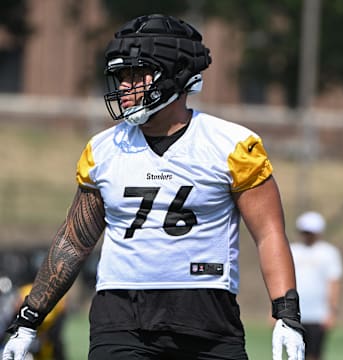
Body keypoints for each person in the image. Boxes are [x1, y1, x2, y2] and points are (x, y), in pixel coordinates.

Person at [3, 14, 304, 360]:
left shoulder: (232, 145)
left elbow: (269, 234)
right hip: (121, 317)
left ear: (174, 74)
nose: (125, 87)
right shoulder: (104, 149)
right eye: (121, 76)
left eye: (136, 74)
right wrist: (29, 319)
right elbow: (74, 241)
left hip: (206, 315)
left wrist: (286, 313)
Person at [291, 211, 343, 360]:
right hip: (294, 314)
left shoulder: (329, 253)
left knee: (313, 355)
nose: (307, 235)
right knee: (293, 354)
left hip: (317, 315)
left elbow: (334, 282)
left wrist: (332, 312)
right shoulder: (292, 251)